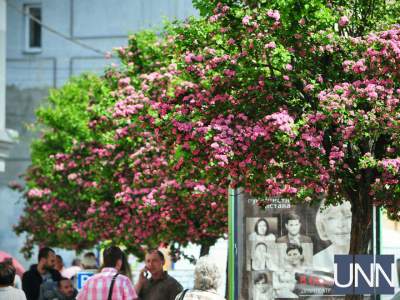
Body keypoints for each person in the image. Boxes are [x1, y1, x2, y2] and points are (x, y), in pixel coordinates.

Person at [313, 200, 352, 273]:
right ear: (322, 225)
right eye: (332, 218)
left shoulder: (374, 253)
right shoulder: (315, 262)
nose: (341, 225)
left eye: (348, 216)